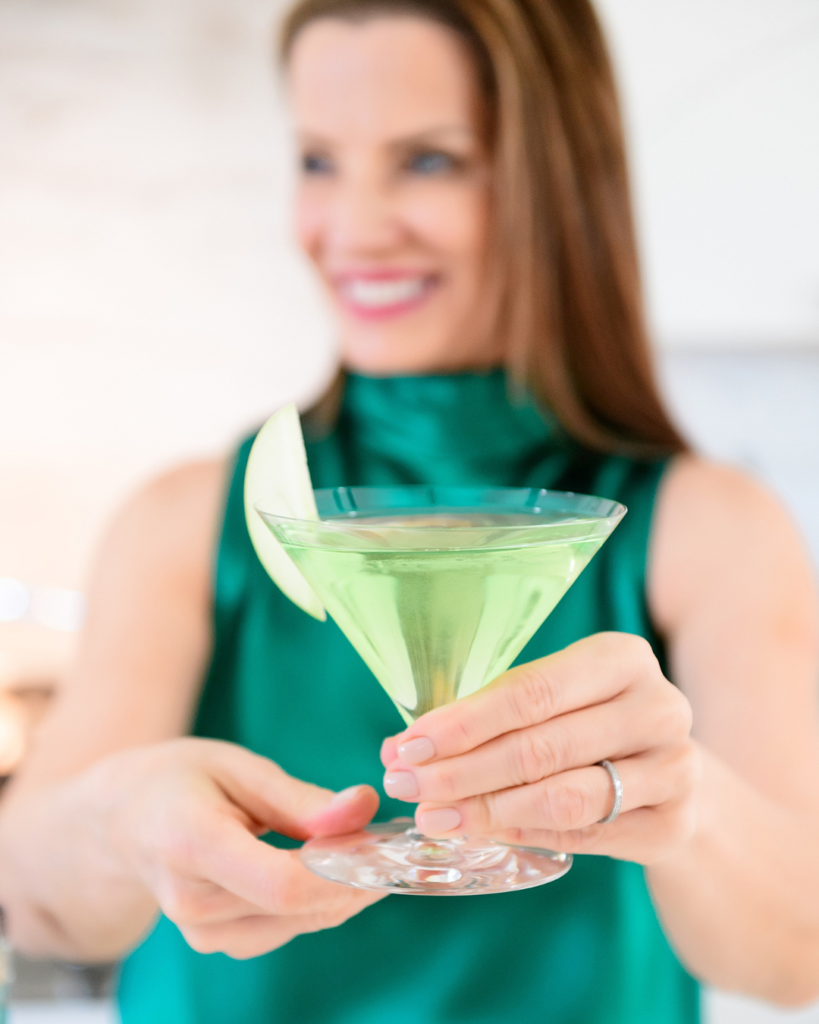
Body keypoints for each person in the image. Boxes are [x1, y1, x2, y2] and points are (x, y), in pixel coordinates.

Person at [1, 0, 818, 1020]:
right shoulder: (192, 519)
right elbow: (33, 904)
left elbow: (799, 958)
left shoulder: (708, 529)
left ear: (553, 183)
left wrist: (686, 802)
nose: (354, 226)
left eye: (427, 160)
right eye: (317, 160)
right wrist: (121, 823)